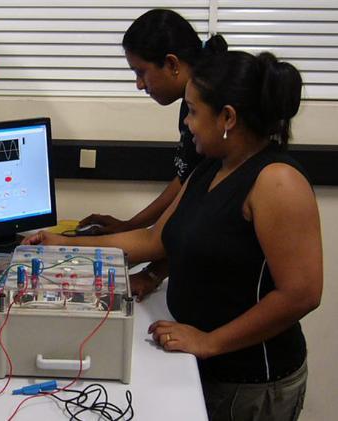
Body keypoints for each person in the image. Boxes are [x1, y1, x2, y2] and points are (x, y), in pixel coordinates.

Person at [24, 50, 322, 421]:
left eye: (194, 112)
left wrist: (209, 342)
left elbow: (302, 294)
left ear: (227, 117)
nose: (189, 125)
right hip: (202, 365)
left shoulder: (277, 181)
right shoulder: (212, 165)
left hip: (249, 382)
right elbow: (152, 241)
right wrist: (64, 245)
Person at [77, 9, 227, 301]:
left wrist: (153, 271)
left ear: (172, 63)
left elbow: (191, 218)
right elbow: (186, 179)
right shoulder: (193, 106)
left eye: (141, 72)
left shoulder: (214, 117)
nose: (139, 84)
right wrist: (131, 225)